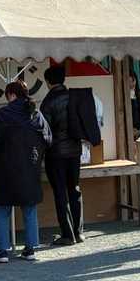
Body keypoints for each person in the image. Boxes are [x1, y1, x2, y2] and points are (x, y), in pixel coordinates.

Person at [0, 80, 51, 264]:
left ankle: (2, 251)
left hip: (6, 168)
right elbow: (48, 138)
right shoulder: (35, 114)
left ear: (11, 95)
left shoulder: (3, 114)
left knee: (2, 209)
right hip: (30, 167)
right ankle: (30, 249)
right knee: (29, 208)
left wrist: (3, 146)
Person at [39, 64, 101, 245]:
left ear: (48, 81)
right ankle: (79, 232)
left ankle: (67, 235)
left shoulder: (48, 102)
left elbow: (44, 132)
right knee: (74, 189)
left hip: (55, 154)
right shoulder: (75, 98)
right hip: (75, 151)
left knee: (60, 192)